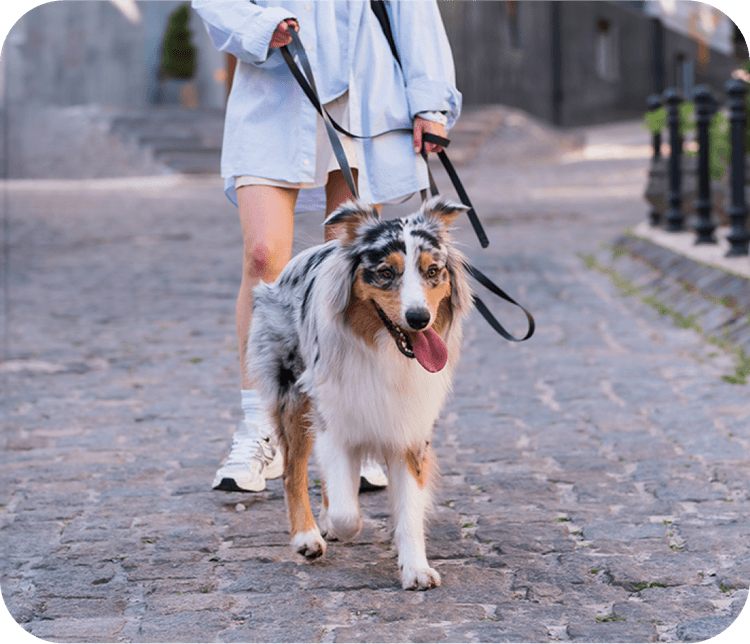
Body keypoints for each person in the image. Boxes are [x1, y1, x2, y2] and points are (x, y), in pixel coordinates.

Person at [191, 0, 461, 493]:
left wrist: (429, 102)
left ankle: (351, 426)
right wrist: (257, 24)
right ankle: (261, 427)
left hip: (365, 89)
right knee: (263, 256)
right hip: (275, 78)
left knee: (346, 262)